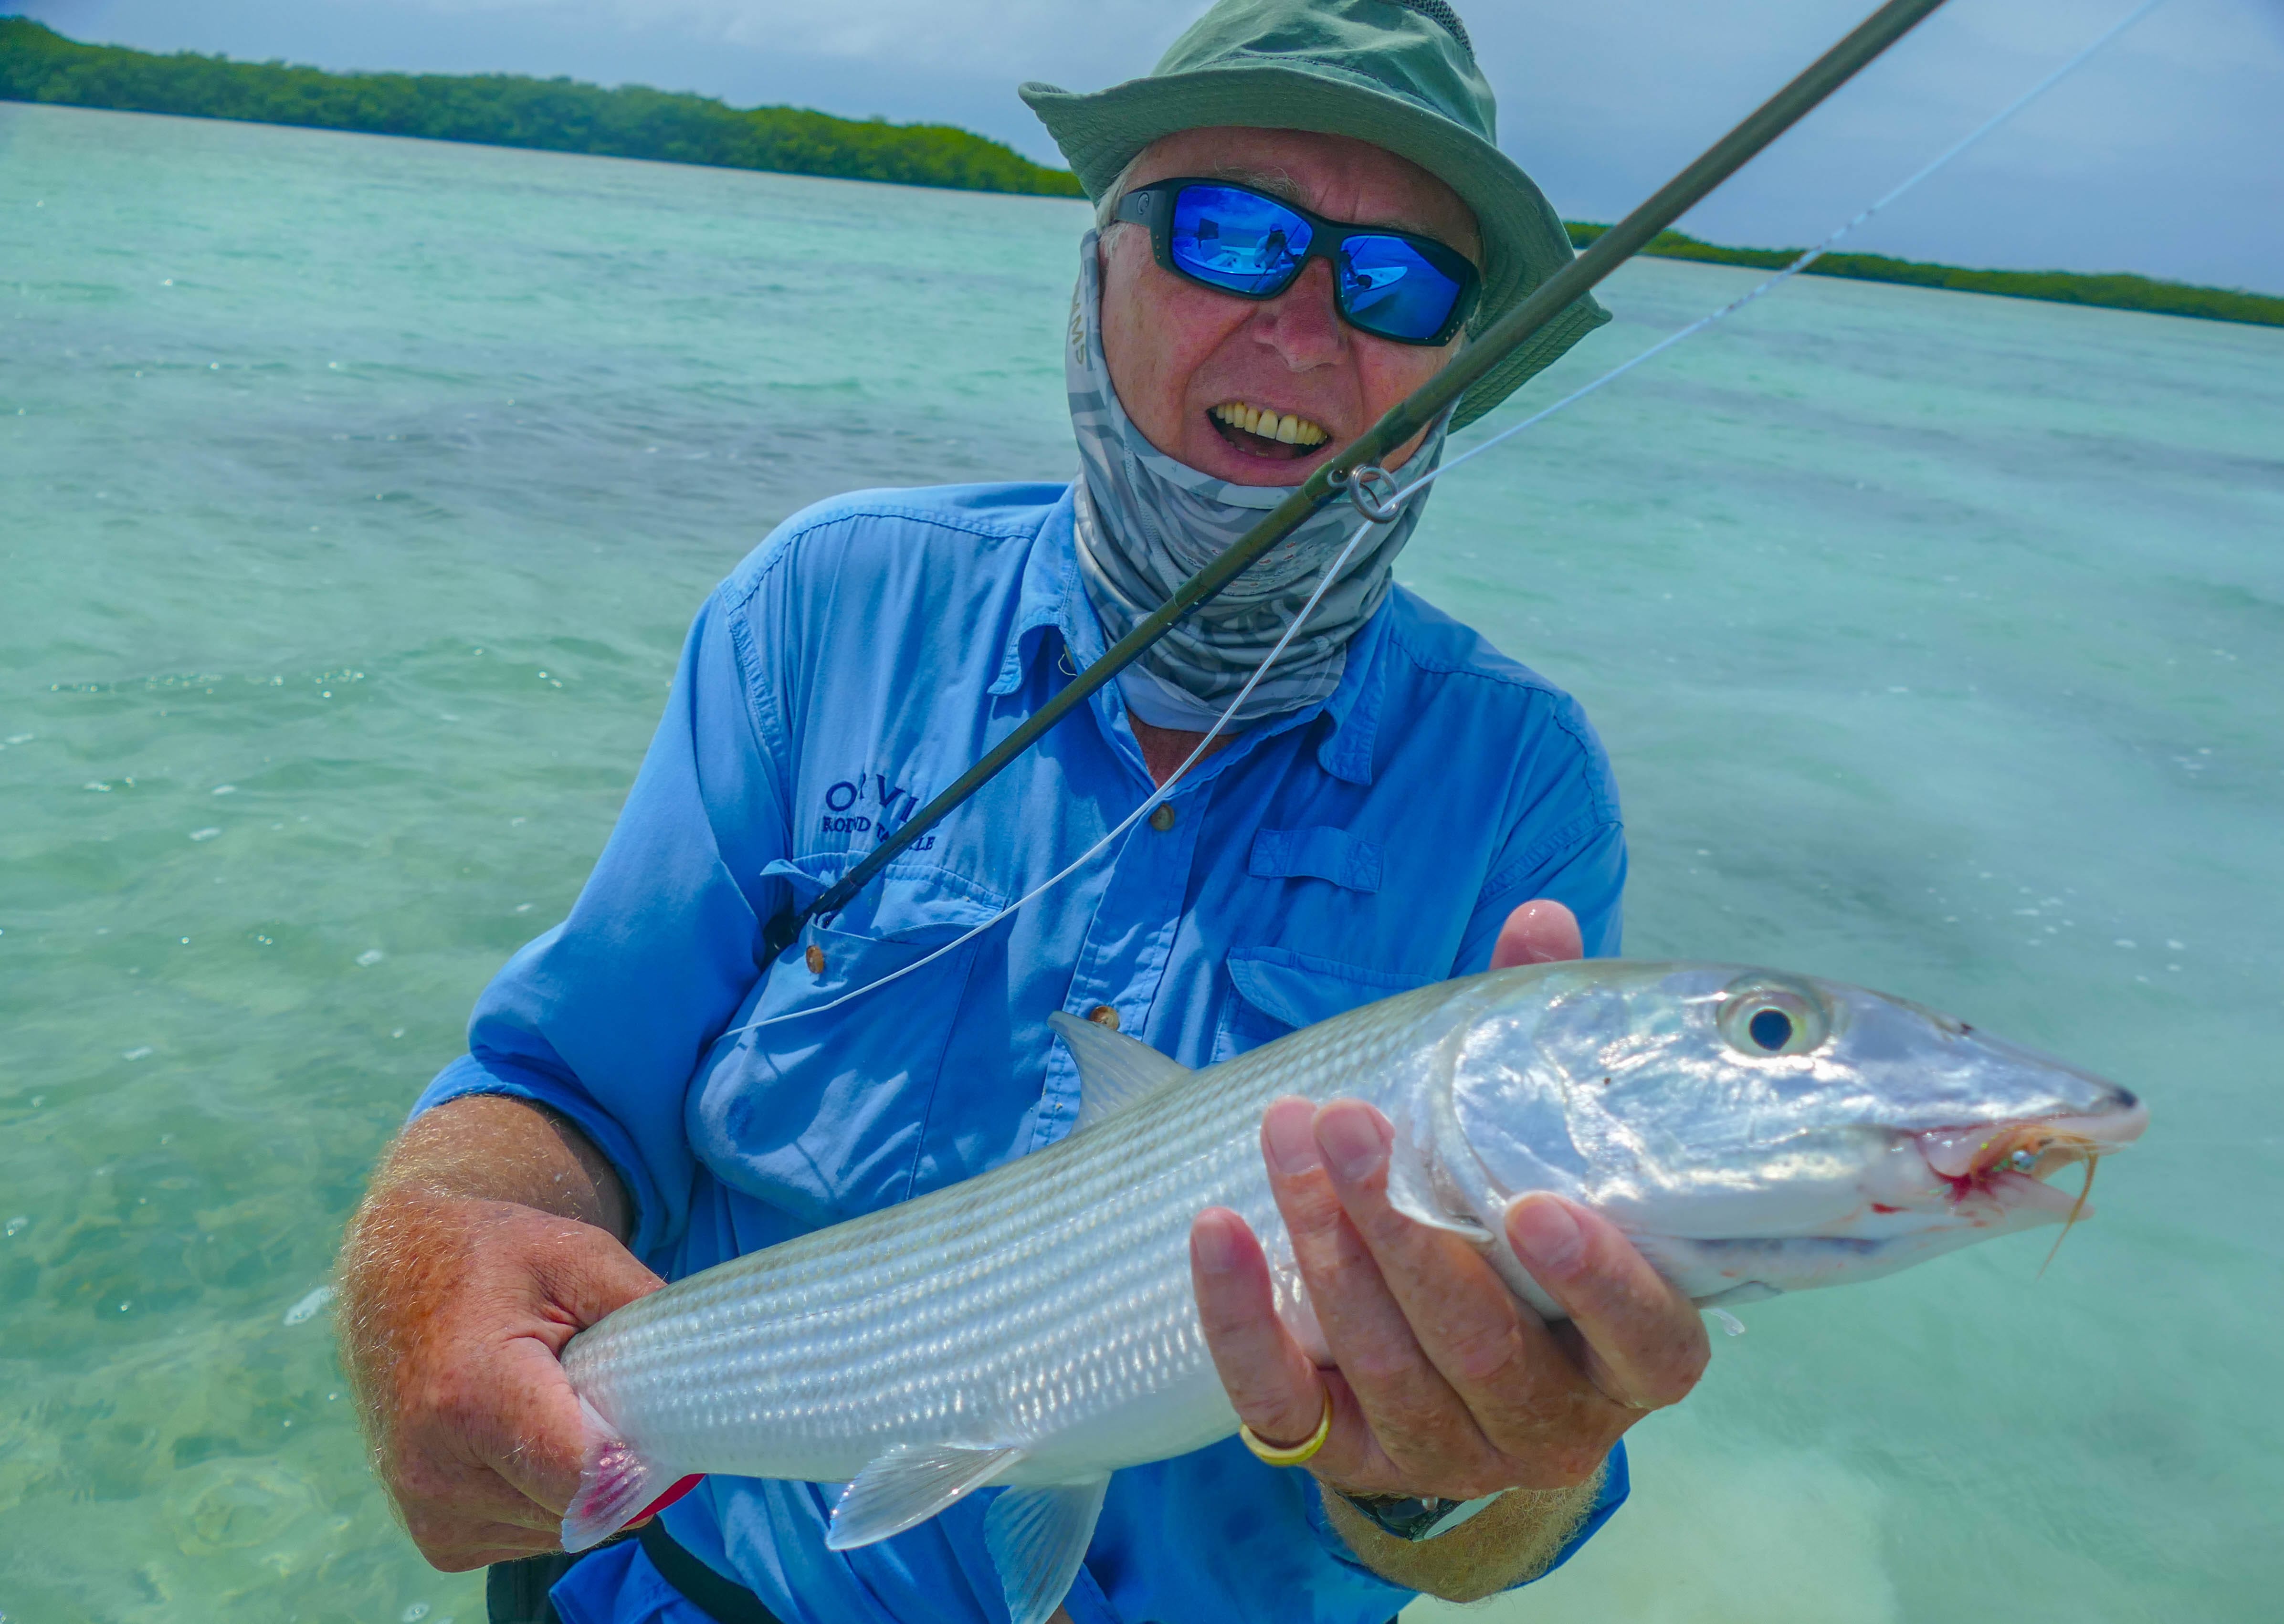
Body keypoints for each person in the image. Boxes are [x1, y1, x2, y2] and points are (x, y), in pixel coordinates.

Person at [336, 1, 1710, 1620]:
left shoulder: (1522, 795)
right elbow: (555, 1095)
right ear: (1100, 268)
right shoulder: (824, 608)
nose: (1302, 325)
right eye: (1232, 234)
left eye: (1401, 283)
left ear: (1454, 368)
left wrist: (1474, 1466)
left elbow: (1496, 1543)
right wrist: (429, 1270)